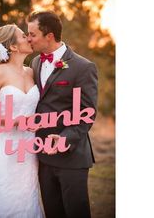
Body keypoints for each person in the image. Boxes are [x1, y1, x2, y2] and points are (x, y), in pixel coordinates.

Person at [27, 11, 98, 218]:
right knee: (53, 213)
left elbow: (87, 113)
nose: (28, 38)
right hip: (42, 156)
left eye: (32, 34)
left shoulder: (83, 67)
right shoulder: (35, 63)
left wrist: (64, 139)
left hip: (72, 157)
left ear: (49, 36)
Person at [0, 24, 44, 218]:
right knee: (3, 195)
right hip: (3, 146)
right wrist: (16, 121)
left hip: (28, 147)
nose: (29, 38)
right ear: (13, 47)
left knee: (26, 194)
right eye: (24, 36)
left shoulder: (31, 72)